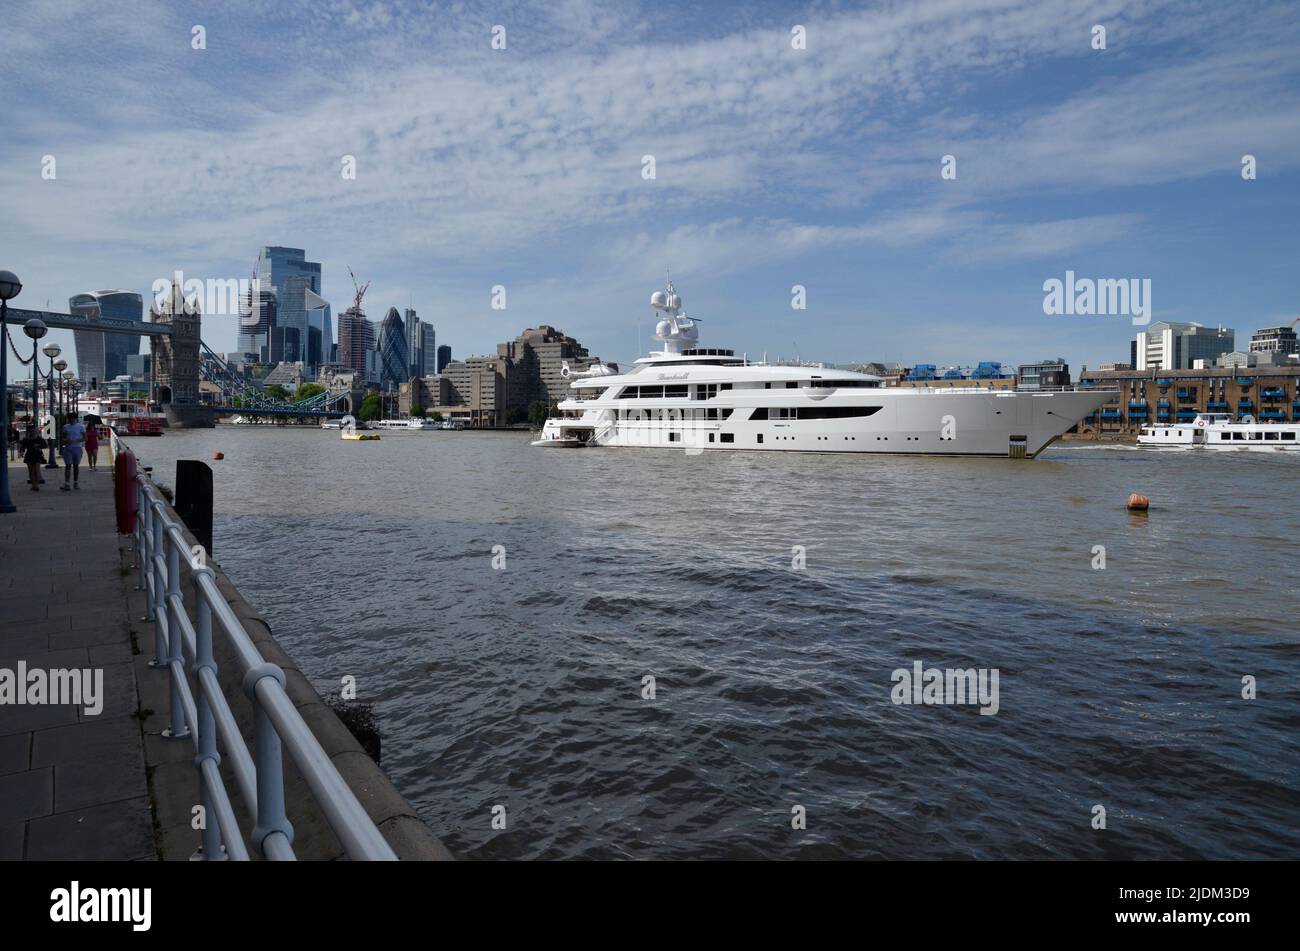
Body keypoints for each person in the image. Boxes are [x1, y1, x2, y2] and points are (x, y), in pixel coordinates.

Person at [60, 412, 86, 491]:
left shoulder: (81, 427)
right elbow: (62, 438)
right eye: (70, 419)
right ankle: (67, 483)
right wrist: (66, 440)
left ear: (75, 418)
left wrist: (76, 440)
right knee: (68, 466)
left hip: (77, 448)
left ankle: (76, 482)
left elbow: (85, 438)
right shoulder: (65, 427)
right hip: (68, 448)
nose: (71, 420)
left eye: (73, 418)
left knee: (76, 466)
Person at [20, 422, 47, 491]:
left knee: (36, 470)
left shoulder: (39, 438)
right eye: (30, 431)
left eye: (33, 431)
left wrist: (38, 446)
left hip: (37, 455)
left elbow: (45, 445)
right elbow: (22, 446)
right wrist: (22, 452)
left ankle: (36, 485)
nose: (32, 432)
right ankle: (33, 485)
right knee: (31, 471)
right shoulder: (26, 439)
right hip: (29, 455)